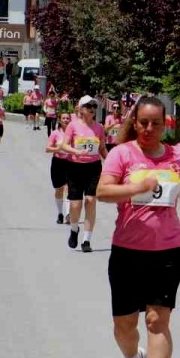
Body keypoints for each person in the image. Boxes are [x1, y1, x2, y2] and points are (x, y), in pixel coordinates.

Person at [96, 95, 180, 358]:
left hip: (167, 248)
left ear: (165, 124)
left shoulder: (177, 154)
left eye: (156, 123)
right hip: (128, 249)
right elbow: (102, 192)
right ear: (135, 122)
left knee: (157, 320)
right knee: (124, 325)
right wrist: (135, 188)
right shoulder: (122, 154)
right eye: (143, 122)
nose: (149, 128)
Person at [63, 96, 108, 252]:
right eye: (88, 106)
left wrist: (110, 163)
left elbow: (102, 148)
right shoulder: (73, 126)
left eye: (94, 106)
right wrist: (76, 151)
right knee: (76, 205)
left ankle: (86, 240)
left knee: (90, 201)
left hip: (93, 167)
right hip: (75, 167)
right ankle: (74, 230)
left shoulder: (99, 128)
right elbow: (64, 145)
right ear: (81, 109)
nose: (92, 108)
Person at [46, 111, 74, 225]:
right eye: (64, 118)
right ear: (60, 120)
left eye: (68, 118)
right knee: (59, 190)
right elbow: (47, 148)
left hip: (70, 162)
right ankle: (60, 213)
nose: (66, 120)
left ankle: (68, 214)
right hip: (58, 162)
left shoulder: (74, 134)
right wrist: (59, 148)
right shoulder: (55, 133)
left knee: (68, 188)